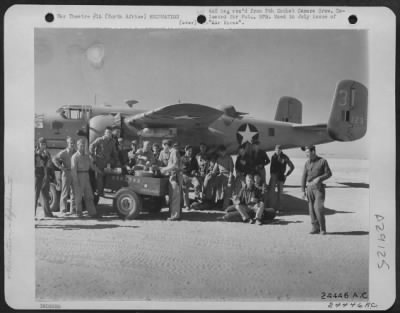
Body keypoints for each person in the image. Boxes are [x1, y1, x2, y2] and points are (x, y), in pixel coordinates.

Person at [301, 145, 332, 235]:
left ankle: (322, 229)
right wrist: (303, 190)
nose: (306, 154)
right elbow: (304, 177)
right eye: (306, 152)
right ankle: (315, 227)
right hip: (309, 188)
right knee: (311, 210)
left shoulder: (323, 161)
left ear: (313, 152)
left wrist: (320, 178)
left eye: (308, 152)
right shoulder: (307, 163)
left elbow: (329, 173)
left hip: (319, 188)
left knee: (318, 208)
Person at [72, 138, 103, 218]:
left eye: (83, 145)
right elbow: (73, 170)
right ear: (77, 146)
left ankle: (92, 213)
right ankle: (78, 213)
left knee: (89, 196)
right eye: (81, 145)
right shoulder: (75, 157)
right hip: (79, 176)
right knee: (78, 197)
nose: (82, 147)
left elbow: (92, 166)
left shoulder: (87, 156)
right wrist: (76, 181)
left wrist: (100, 171)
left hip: (86, 176)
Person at [89, 127, 120, 196]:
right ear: (105, 133)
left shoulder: (113, 141)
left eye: (110, 132)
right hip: (99, 161)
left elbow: (114, 152)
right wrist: (93, 156)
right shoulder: (100, 140)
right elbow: (91, 146)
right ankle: (99, 192)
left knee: (107, 175)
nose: (109, 134)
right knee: (99, 176)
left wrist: (117, 161)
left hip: (107, 162)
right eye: (107, 132)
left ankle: (106, 190)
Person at [52, 137, 77, 215]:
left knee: (74, 192)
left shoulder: (76, 152)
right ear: (68, 143)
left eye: (73, 143)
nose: (72, 144)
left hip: (74, 173)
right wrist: (61, 167)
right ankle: (63, 210)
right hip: (66, 173)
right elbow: (54, 159)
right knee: (65, 192)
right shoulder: (64, 152)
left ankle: (72, 210)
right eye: (70, 143)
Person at [160, 142, 183, 221]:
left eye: (163, 146)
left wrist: (165, 169)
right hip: (173, 176)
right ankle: (175, 213)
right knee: (174, 196)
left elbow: (175, 165)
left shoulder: (174, 152)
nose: (163, 148)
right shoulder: (172, 152)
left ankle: (175, 216)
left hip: (175, 177)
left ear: (166, 145)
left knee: (175, 197)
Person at [269, 145, 295, 214]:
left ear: (281, 150)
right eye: (276, 150)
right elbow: (271, 168)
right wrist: (272, 176)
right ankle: (271, 208)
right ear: (275, 150)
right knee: (271, 193)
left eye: (279, 150)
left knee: (280, 194)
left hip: (280, 177)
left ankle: (279, 209)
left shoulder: (285, 157)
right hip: (274, 177)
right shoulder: (273, 157)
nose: (278, 151)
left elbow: (292, 167)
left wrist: (286, 175)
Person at [35, 137, 56, 218]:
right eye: (42, 144)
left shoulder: (47, 153)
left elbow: (50, 165)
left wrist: (51, 175)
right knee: (35, 196)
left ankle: (48, 213)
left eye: (44, 144)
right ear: (38, 144)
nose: (43, 145)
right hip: (38, 176)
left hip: (46, 175)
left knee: (46, 195)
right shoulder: (36, 153)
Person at [211, 145, 234, 210]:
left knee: (227, 190)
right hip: (220, 175)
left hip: (227, 175)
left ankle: (225, 207)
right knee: (213, 185)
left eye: (223, 151)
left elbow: (231, 170)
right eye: (221, 152)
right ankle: (215, 203)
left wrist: (230, 178)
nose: (222, 153)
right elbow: (214, 170)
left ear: (225, 151)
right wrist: (211, 173)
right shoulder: (218, 159)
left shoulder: (229, 158)